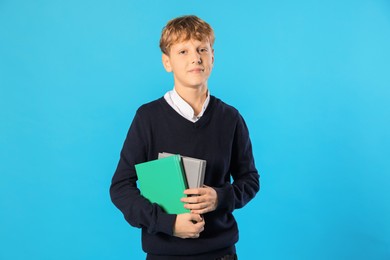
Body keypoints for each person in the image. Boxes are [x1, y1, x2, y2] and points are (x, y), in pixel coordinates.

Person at [110, 15, 260, 260]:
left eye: (202, 49)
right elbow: (120, 187)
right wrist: (167, 223)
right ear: (166, 62)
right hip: (165, 254)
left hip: (220, 253)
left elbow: (250, 179)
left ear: (213, 56)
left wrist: (220, 197)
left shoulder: (230, 118)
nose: (195, 58)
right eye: (183, 51)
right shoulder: (148, 118)